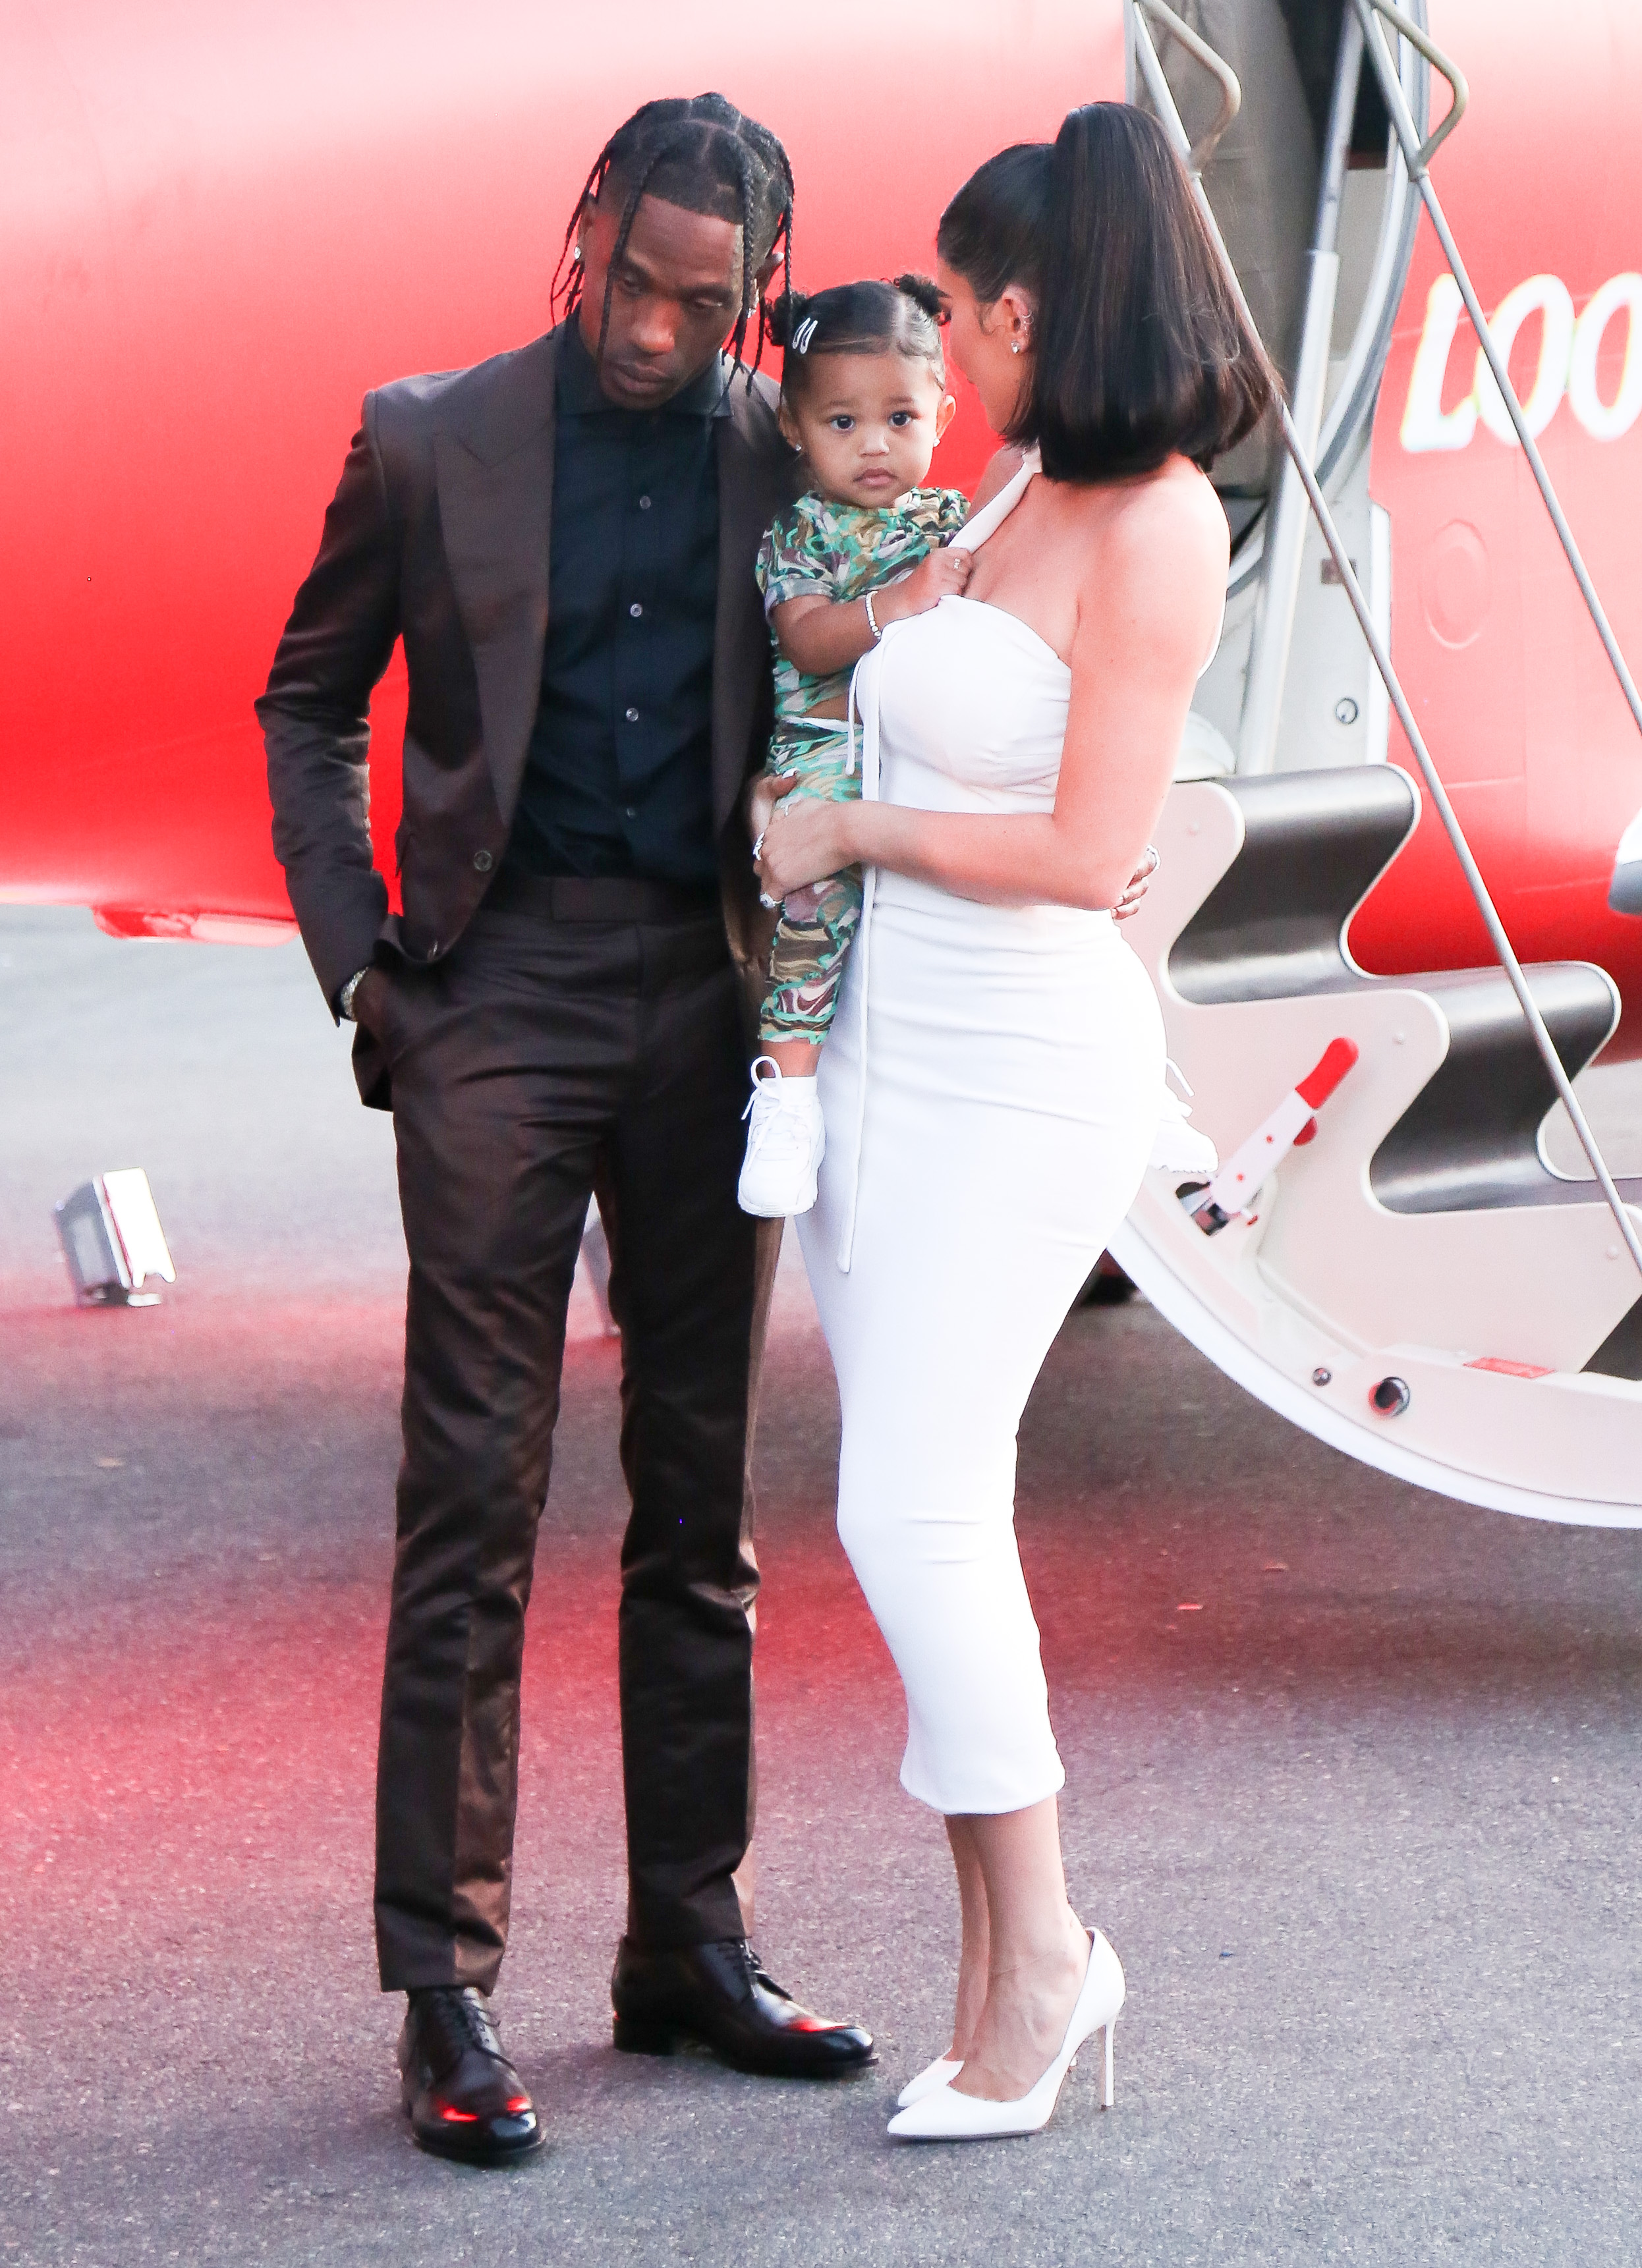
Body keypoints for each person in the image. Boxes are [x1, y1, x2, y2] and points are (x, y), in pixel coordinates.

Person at [256, 92, 876, 2169]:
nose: (653, 333)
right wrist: (366, 975)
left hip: (709, 996)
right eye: (632, 284)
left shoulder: (778, 456)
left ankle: (687, 1942)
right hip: (496, 993)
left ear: (757, 292)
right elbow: (306, 701)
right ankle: (441, 1982)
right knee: (472, 1495)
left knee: (701, 1500)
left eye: (703, 305)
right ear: (588, 226)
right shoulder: (429, 437)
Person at [753, 105, 1273, 2141]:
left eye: (960, 316)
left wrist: (849, 832)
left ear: (1034, 312)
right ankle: (996, 1964)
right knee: (911, 1506)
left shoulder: (1155, 525)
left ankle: (1046, 1952)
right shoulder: (1018, 487)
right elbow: (882, 671)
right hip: (883, 1049)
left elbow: (1079, 851)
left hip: (1018, 1068)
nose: (943, 353)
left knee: (911, 1509)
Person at [736, 275, 971, 1217]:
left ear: (943, 415)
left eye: (899, 417)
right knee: (815, 906)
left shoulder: (955, 520)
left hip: (929, 754)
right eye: (843, 422)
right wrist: (900, 601)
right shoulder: (800, 534)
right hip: (828, 752)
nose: (875, 444)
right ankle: (787, 1098)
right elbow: (806, 639)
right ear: (793, 424)